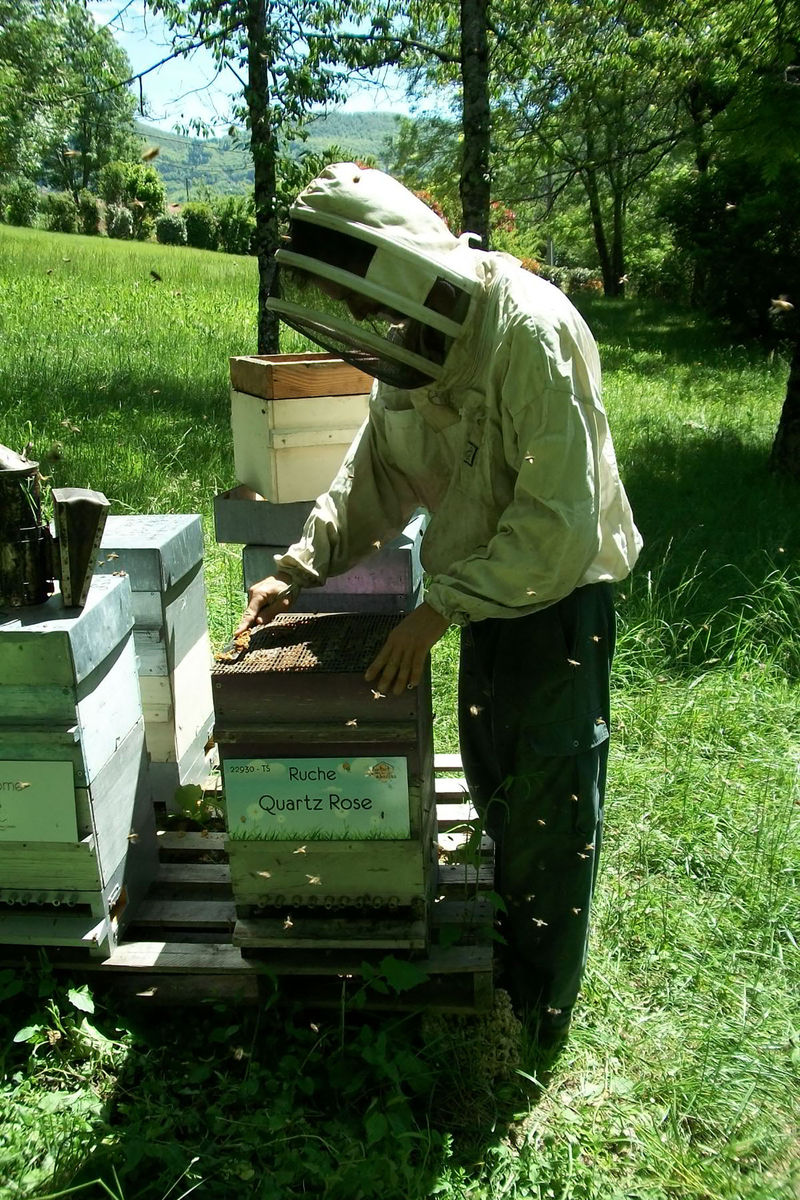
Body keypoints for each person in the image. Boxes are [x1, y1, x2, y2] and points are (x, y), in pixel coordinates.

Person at [236, 163, 642, 1037]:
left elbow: (556, 524)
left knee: (552, 802)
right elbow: (374, 472)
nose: (377, 329)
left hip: (560, 605)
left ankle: (536, 1015)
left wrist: (438, 605)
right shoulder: (410, 343)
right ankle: (505, 953)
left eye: (376, 301)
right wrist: (296, 568)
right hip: (485, 602)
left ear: (399, 262)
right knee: (498, 782)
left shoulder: (529, 334)